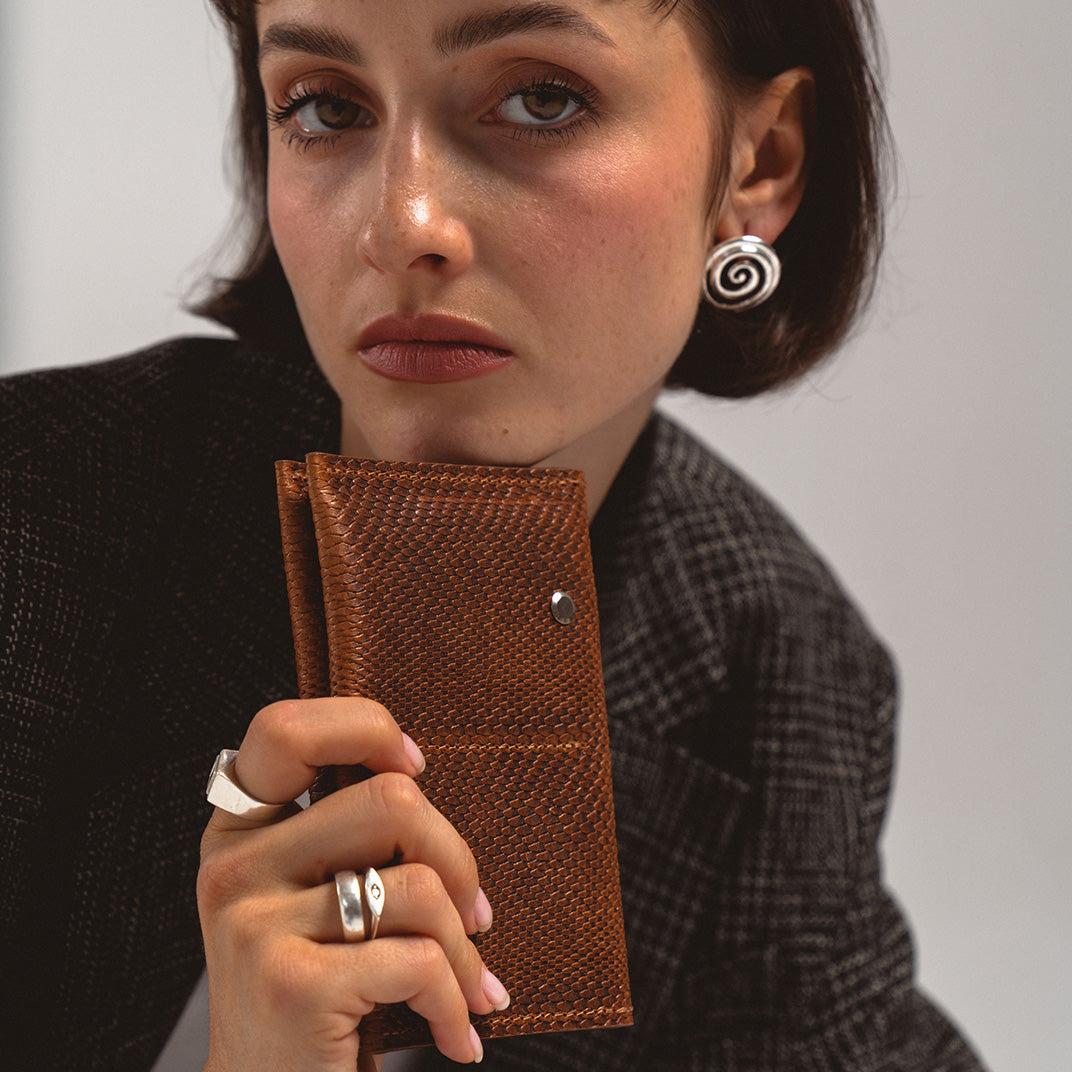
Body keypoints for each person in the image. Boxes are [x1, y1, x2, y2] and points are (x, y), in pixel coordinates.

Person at [0, 1, 989, 1069]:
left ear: (760, 164)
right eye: (326, 106)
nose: (402, 222)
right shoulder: (34, 529)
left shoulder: (772, 667)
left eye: (542, 99)